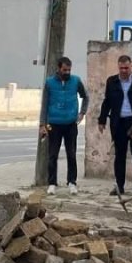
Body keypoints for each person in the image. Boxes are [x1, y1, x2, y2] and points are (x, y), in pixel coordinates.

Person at [97, 55, 132, 195]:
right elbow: (107, 102)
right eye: (121, 68)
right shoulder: (112, 82)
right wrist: (102, 119)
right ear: (118, 67)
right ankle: (119, 186)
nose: (124, 71)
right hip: (119, 123)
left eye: (126, 68)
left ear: (131, 67)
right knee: (119, 156)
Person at [40, 57, 89, 195]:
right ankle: (52, 183)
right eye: (64, 70)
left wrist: (82, 113)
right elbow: (44, 104)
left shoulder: (76, 81)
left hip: (70, 124)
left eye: (69, 70)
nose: (67, 72)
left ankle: (72, 182)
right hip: (53, 124)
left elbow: (85, 96)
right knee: (52, 155)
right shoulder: (49, 83)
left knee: (71, 154)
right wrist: (42, 124)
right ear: (58, 68)